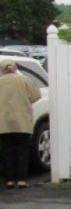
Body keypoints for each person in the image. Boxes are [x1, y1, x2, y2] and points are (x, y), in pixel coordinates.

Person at [0, 58, 41, 188]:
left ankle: (10, 180)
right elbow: (36, 95)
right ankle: (22, 180)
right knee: (22, 150)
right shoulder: (24, 80)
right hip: (22, 121)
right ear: (15, 67)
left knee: (7, 151)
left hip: (4, 122)